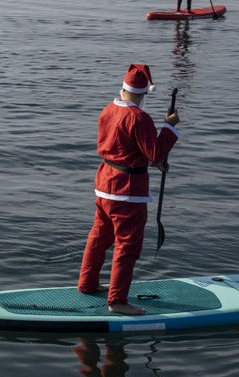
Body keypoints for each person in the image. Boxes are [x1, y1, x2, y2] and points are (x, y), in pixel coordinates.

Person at [77, 64, 181, 315]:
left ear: (123, 88)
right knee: (128, 245)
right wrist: (169, 128)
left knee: (99, 238)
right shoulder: (139, 117)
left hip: (104, 185)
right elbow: (154, 152)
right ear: (144, 93)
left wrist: (153, 161)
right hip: (127, 192)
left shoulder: (108, 110)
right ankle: (118, 301)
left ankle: (87, 284)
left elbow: (124, 147)